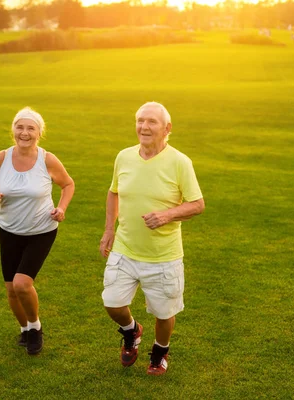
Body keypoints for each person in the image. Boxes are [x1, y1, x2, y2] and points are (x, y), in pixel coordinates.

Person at [99, 102, 205, 375]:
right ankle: (132, 331)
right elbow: (114, 192)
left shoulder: (180, 162)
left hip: (163, 255)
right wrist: (110, 229)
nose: (144, 127)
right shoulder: (124, 156)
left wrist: (167, 215)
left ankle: (159, 352)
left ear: (167, 128)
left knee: (164, 314)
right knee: (112, 302)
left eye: (152, 122)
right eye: (140, 121)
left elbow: (197, 204)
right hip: (125, 247)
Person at [0, 107, 75, 355]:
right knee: (11, 289)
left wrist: (61, 208)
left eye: (30, 128)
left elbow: (68, 184)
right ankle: (24, 330)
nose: (24, 132)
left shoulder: (47, 160)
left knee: (22, 283)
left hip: (41, 231)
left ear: (39, 132)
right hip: (9, 230)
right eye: (20, 127)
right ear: (13, 130)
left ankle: (35, 328)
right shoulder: (2, 157)